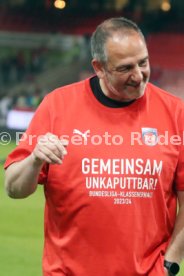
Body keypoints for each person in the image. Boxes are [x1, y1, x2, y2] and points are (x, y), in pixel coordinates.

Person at [4, 17, 184, 276]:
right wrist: (34, 160)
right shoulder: (57, 106)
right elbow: (13, 188)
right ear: (98, 67)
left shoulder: (175, 113)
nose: (138, 75)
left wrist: (171, 264)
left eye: (143, 62)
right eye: (124, 68)